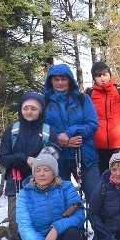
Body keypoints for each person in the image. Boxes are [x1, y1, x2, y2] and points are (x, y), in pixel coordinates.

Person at [0, 91, 53, 240]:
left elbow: (53, 155)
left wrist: (37, 166)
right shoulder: (12, 130)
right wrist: (24, 158)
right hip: (15, 182)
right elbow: (3, 157)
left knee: (37, 223)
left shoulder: (47, 131)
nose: (29, 111)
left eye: (34, 108)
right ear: (21, 109)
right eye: (26, 108)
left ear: (40, 110)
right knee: (15, 225)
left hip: (40, 183)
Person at [43, 64, 101, 198]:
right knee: (60, 201)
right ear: (50, 81)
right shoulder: (44, 102)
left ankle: (97, 220)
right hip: (56, 159)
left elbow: (92, 124)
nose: (60, 83)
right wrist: (60, 140)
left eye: (64, 79)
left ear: (70, 80)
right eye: (56, 79)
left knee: (96, 199)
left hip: (85, 157)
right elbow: (41, 130)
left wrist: (70, 133)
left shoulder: (82, 99)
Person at [85, 61, 120, 171]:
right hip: (97, 146)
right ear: (94, 78)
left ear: (110, 74)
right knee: (103, 179)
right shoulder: (89, 93)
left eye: (105, 74)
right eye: (98, 75)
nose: (102, 78)